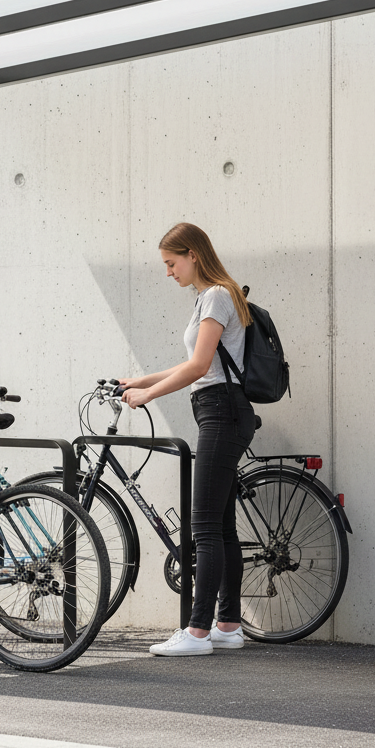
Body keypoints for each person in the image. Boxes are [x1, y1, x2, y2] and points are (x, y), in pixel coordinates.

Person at [120, 222, 255, 656]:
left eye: (170, 262)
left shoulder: (217, 294)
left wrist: (148, 395)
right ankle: (228, 625)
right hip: (220, 412)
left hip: (220, 413)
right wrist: (140, 379)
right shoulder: (211, 296)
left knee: (204, 529)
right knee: (223, 527)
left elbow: (199, 368)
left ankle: (197, 633)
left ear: (193, 254)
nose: (167, 272)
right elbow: (197, 362)